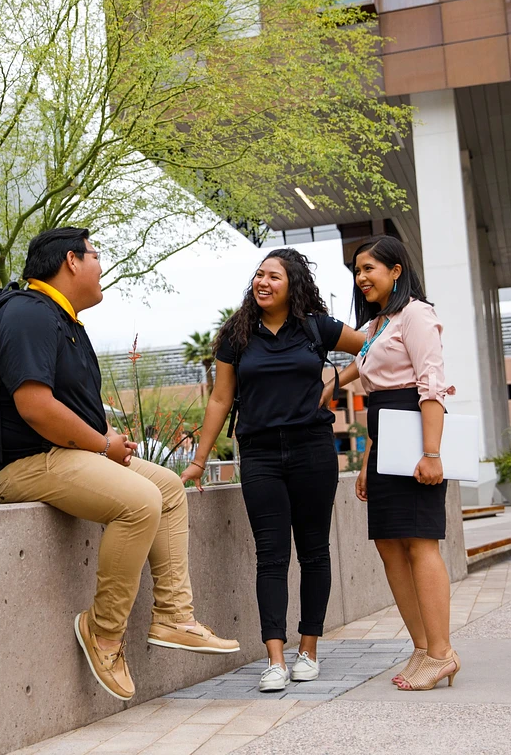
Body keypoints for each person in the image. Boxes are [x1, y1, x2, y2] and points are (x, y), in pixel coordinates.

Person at [0, 227, 239, 702]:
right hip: (25, 464)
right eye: (96, 257)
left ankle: (174, 616)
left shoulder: (64, 321)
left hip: (69, 455)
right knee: (139, 501)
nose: (101, 269)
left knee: (167, 488)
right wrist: (102, 445)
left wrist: (105, 441)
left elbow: (69, 407)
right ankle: (104, 633)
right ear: (71, 261)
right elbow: (34, 406)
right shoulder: (28, 314)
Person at [180, 248, 365, 692]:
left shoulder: (316, 327)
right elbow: (220, 399)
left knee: (315, 551)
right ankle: (275, 660)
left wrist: (336, 381)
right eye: (259, 275)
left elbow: (375, 349)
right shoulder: (237, 335)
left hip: (312, 450)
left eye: (274, 276)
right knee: (272, 556)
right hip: (260, 454)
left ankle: (309, 649)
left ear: (293, 284)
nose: (263, 282)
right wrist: (199, 460)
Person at [328, 235, 461, 691]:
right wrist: (368, 459)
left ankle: (441, 652)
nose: (361, 278)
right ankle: (423, 647)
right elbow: (361, 371)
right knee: (389, 545)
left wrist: (432, 452)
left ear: (396, 270)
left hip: (416, 430)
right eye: (358, 271)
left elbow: (431, 386)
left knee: (421, 543)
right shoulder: (378, 325)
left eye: (370, 269)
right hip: (385, 433)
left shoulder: (416, 315)